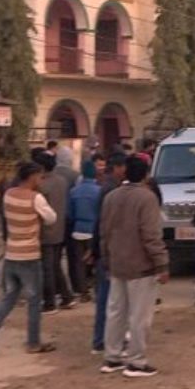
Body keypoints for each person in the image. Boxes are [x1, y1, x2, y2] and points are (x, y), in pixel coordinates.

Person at [99, 156, 169, 378]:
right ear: (146, 174)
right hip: (141, 266)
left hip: (117, 262)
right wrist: (162, 263)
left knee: (115, 312)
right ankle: (136, 362)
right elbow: (151, 235)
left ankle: (112, 356)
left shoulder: (111, 196)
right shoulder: (147, 199)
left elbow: (104, 232)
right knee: (139, 317)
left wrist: (107, 257)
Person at [0, 163, 57, 356]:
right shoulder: (36, 198)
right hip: (29, 255)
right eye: (39, 177)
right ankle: (33, 342)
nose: (41, 180)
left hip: (11, 253)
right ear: (32, 177)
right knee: (34, 300)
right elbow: (51, 218)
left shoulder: (9, 194)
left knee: (9, 298)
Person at [90, 152, 127, 354]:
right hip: (109, 251)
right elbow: (102, 224)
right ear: (118, 168)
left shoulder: (108, 188)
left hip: (105, 249)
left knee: (109, 299)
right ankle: (102, 340)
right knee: (109, 299)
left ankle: (103, 339)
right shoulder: (111, 191)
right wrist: (96, 250)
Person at [36, 153, 76, 313]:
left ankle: (50, 302)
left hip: (46, 231)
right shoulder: (62, 181)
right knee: (55, 266)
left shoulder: (42, 185)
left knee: (48, 268)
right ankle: (66, 297)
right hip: (60, 229)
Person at [68, 161, 103, 302]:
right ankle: (98, 291)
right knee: (97, 261)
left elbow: (69, 213)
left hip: (78, 230)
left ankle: (83, 292)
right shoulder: (99, 191)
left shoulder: (74, 191)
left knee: (79, 263)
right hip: (94, 230)